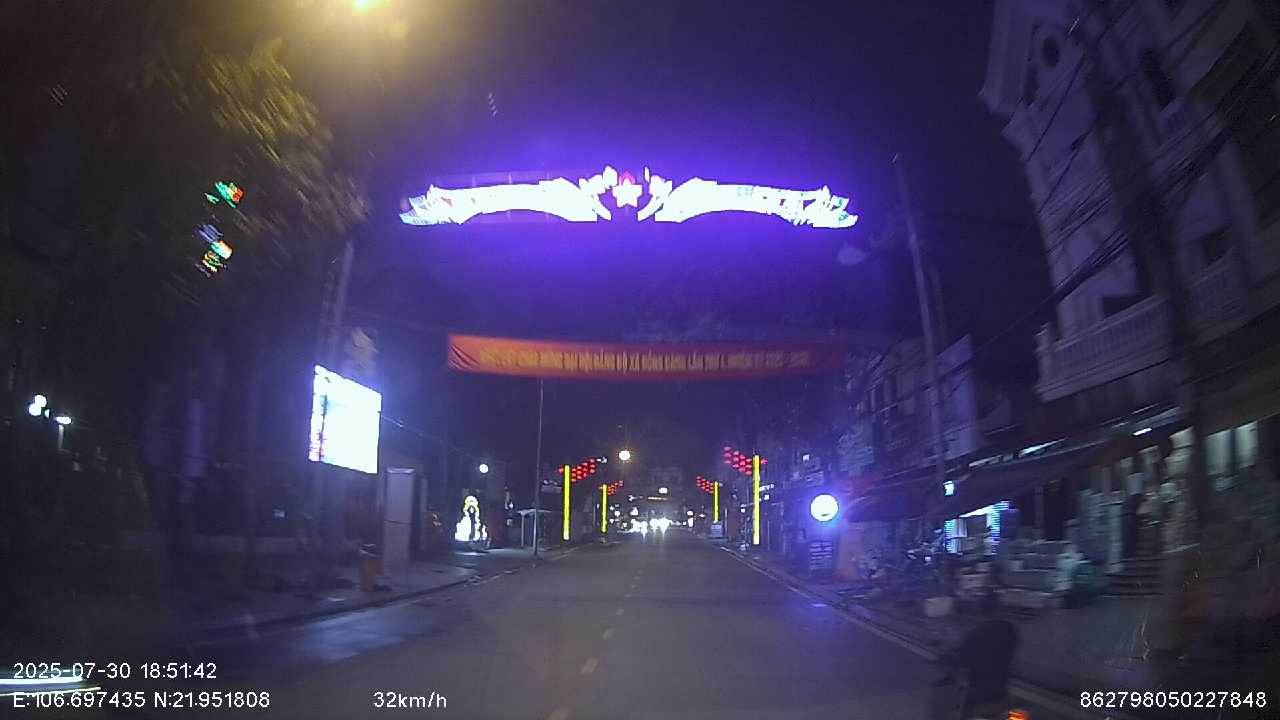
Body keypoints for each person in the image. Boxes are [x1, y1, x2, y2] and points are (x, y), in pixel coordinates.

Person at [933, 619, 1020, 718]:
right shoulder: (1006, 629)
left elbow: (961, 658)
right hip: (998, 692)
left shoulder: (978, 634)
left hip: (976, 697)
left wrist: (943, 658)